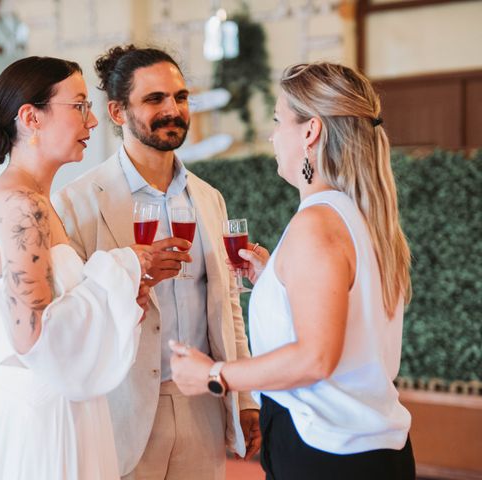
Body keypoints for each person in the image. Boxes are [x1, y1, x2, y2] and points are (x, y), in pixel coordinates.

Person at [0, 56, 154, 480]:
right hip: (40, 424)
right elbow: (30, 336)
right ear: (30, 117)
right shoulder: (21, 208)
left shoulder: (34, 201)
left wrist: (124, 294)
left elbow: (60, 308)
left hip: (64, 407)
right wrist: (123, 266)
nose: (91, 122)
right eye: (78, 106)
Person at [170, 62, 416, 480]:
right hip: (365, 450)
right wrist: (273, 282)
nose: (271, 135)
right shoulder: (358, 215)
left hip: (327, 455)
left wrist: (214, 374)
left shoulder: (317, 224)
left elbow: (315, 357)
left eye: (277, 120)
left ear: (310, 132)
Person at [53, 45, 260, 480]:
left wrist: (243, 399)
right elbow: (65, 319)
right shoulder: (77, 202)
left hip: (202, 402)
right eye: (154, 100)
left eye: (180, 97)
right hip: (118, 405)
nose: (173, 110)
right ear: (116, 111)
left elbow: (228, 303)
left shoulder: (209, 198)